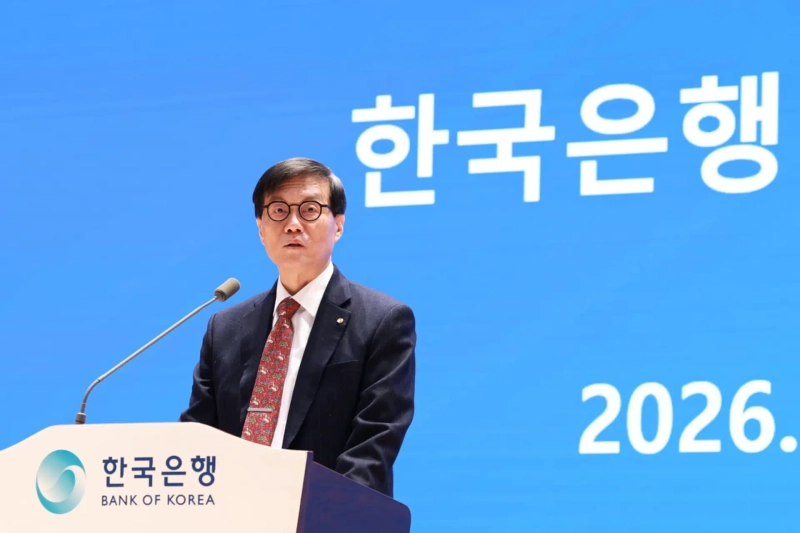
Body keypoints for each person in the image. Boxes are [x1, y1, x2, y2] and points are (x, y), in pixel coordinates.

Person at [179, 157, 416, 497]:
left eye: (309, 210)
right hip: (232, 511)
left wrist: (316, 512)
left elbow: (374, 444)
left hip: (326, 513)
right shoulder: (225, 327)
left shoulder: (382, 320)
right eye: (278, 210)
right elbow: (197, 438)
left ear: (338, 225)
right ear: (260, 228)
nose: (292, 224)